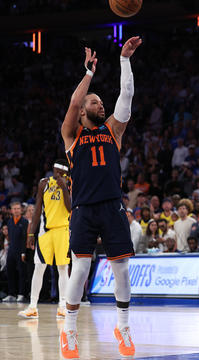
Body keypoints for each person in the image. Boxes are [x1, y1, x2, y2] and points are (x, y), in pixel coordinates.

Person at [59, 37, 142, 358]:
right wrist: (88, 75)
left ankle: (123, 328)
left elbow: (128, 95)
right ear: (83, 112)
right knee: (79, 271)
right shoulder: (72, 135)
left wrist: (125, 59)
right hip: (82, 210)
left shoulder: (112, 131)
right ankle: (69, 333)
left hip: (111, 207)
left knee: (121, 271)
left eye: (100, 103)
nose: (100, 105)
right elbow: (73, 103)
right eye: (94, 103)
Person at [18, 160, 71, 319]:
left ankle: (63, 306)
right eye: (54, 171)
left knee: (62, 268)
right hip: (45, 231)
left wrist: (63, 187)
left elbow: (70, 208)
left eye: (59, 172)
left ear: (65, 173)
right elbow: (37, 210)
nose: (56, 174)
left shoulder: (70, 184)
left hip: (62, 230)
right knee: (39, 267)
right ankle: (33, 306)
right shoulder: (44, 183)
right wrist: (31, 233)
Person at [3, 202, 28, 303]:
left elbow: (24, 238)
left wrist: (23, 252)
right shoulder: (9, 222)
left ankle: (21, 294)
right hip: (11, 250)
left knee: (22, 273)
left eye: (18, 208)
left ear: (21, 210)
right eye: (14, 209)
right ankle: (11, 294)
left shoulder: (25, 221)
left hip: (20, 250)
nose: (16, 210)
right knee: (10, 272)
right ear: (11, 210)